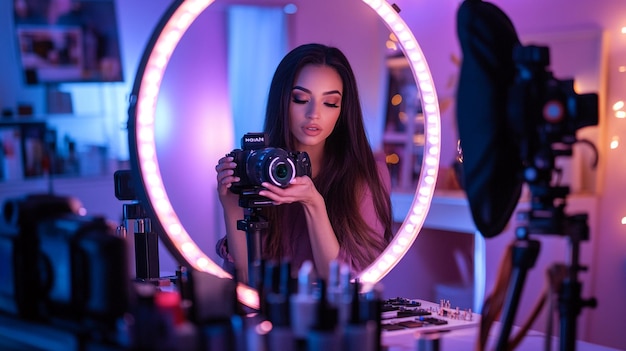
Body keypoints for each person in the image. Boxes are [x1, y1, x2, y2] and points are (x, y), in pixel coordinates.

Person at [215, 43, 393, 283]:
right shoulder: (258, 171)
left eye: (330, 103)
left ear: (343, 110)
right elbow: (247, 284)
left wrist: (313, 203)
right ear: (282, 101)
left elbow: (345, 285)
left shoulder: (367, 175)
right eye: (300, 99)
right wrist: (231, 207)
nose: (314, 114)